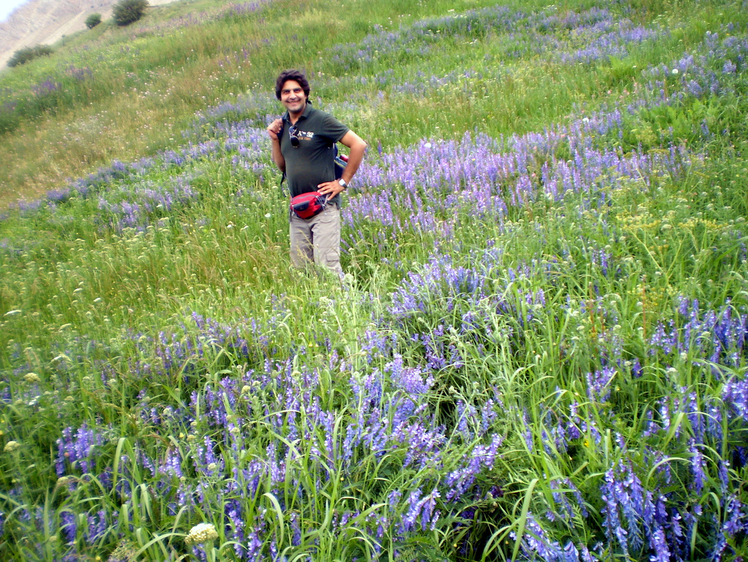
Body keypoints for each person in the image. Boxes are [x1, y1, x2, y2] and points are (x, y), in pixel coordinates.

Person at [266, 69, 367, 279]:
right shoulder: (282, 125)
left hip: (324, 206)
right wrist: (275, 139)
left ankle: (345, 307)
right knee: (302, 272)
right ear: (280, 97)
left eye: (297, 90)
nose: (292, 95)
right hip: (298, 209)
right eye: (286, 92)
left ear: (305, 93)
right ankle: (316, 310)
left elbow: (358, 144)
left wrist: (342, 182)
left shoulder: (321, 120)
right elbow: (283, 166)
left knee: (327, 269)